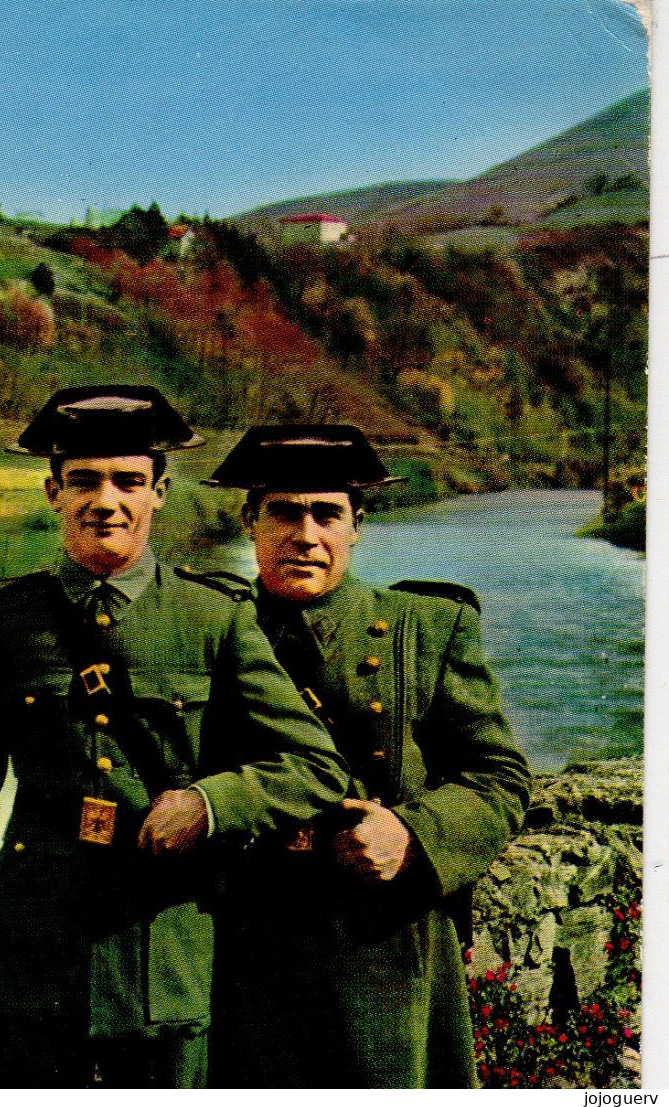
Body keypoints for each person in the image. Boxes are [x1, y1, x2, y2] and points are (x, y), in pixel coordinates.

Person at [0, 386, 350, 1088]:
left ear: (158, 492)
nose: (106, 500)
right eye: (84, 481)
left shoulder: (210, 615)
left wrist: (211, 803)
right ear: (53, 492)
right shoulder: (5, 621)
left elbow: (313, 764)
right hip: (32, 956)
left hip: (164, 951)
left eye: (128, 480)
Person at [203, 424, 531, 1088]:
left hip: (382, 950)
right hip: (236, 953)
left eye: (326, 513)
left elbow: (498, 777)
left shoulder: (426, 626)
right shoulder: (199, 630)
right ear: (249, 521)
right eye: (283, 512)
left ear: (357, 525)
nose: (305, 533)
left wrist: (411, 832)